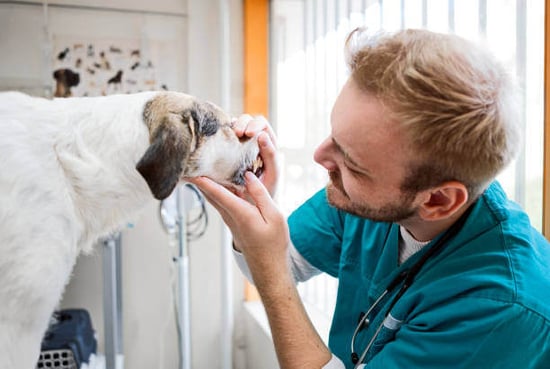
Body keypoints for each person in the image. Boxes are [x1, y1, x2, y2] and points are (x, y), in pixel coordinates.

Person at [189, 28, 550, 369]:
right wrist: (255, 207)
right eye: (333, 136)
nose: (320, 157)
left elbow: (272, 272)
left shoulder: (501, 309)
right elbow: (275, 263)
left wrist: (270, 271)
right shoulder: (370, 199)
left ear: (438, 200)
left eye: (353, 162)